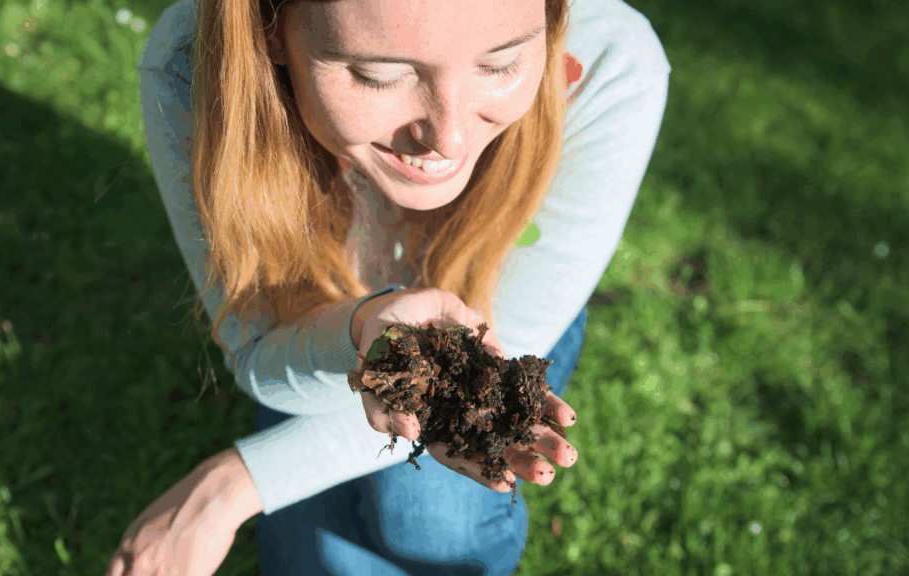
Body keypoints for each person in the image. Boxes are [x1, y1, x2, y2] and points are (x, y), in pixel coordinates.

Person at [108, 0, 670, 574]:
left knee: (431, 518)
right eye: (379, 74)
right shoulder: (194, 64)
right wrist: (357, 330)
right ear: (269, 27)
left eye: (500, 64)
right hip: (325, 318)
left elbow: (515, 333)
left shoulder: (607, 60)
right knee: (324, 554)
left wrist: (234, 483)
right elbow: (262, 353)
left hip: (506, 301)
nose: (447, 138)